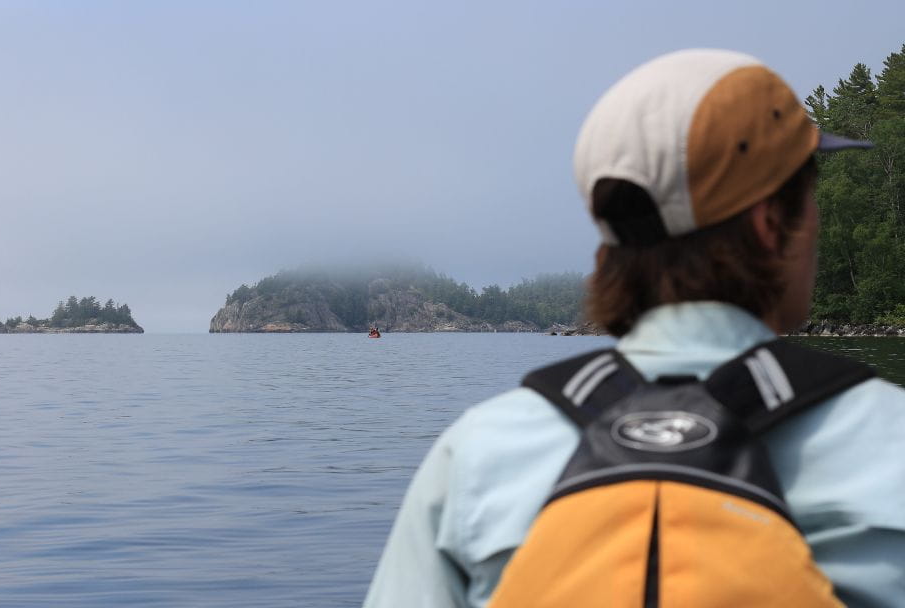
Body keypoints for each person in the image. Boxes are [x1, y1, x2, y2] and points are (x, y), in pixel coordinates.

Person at [364, 49, 905, 607]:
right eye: (810, 199)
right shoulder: (890, 439)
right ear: (771, 224)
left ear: (608, 250)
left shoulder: (479, 453)